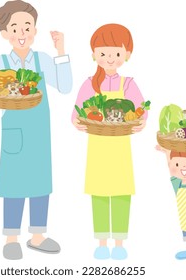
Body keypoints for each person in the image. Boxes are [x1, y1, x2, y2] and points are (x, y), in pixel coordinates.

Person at [0, 0, 72, 260]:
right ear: (4, 33)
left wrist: (61, 50)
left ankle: (38, 235)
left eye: (27, 26)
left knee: (41, 182)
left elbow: (64, 87)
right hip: (14, 129)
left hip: (40, 130)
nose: (22, 32)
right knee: (14, 183)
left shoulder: (42, 60)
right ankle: (11, 238)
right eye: (15, 27)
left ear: (35, 30)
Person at [71, 24, 147, 260]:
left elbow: (141, 111)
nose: (110, 59)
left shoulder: (129, 84)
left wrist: (141, 121)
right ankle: (102, 242)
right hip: (98, 147)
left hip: (121, 148)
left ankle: (120, 242)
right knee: (100, 195)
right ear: (94, 54)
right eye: (103, 53)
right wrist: (79, 122)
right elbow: (75, 115)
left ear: (127, 55)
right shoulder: (89, 84)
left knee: (122, 194)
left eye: (116, 53)